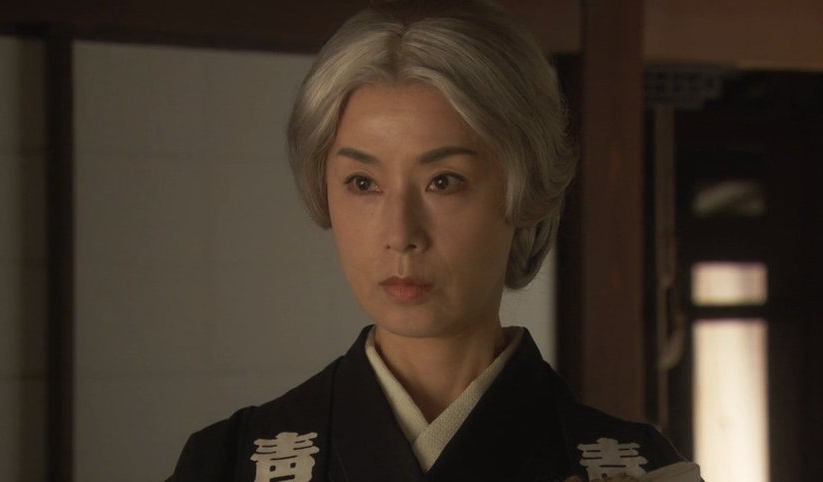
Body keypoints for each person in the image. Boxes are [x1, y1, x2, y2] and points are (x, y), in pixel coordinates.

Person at [167, 1, 691, 480]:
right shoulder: (226, 462)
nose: (400, 235)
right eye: (362, 184)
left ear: (526, 190)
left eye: (444, 182)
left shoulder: (638, 468)